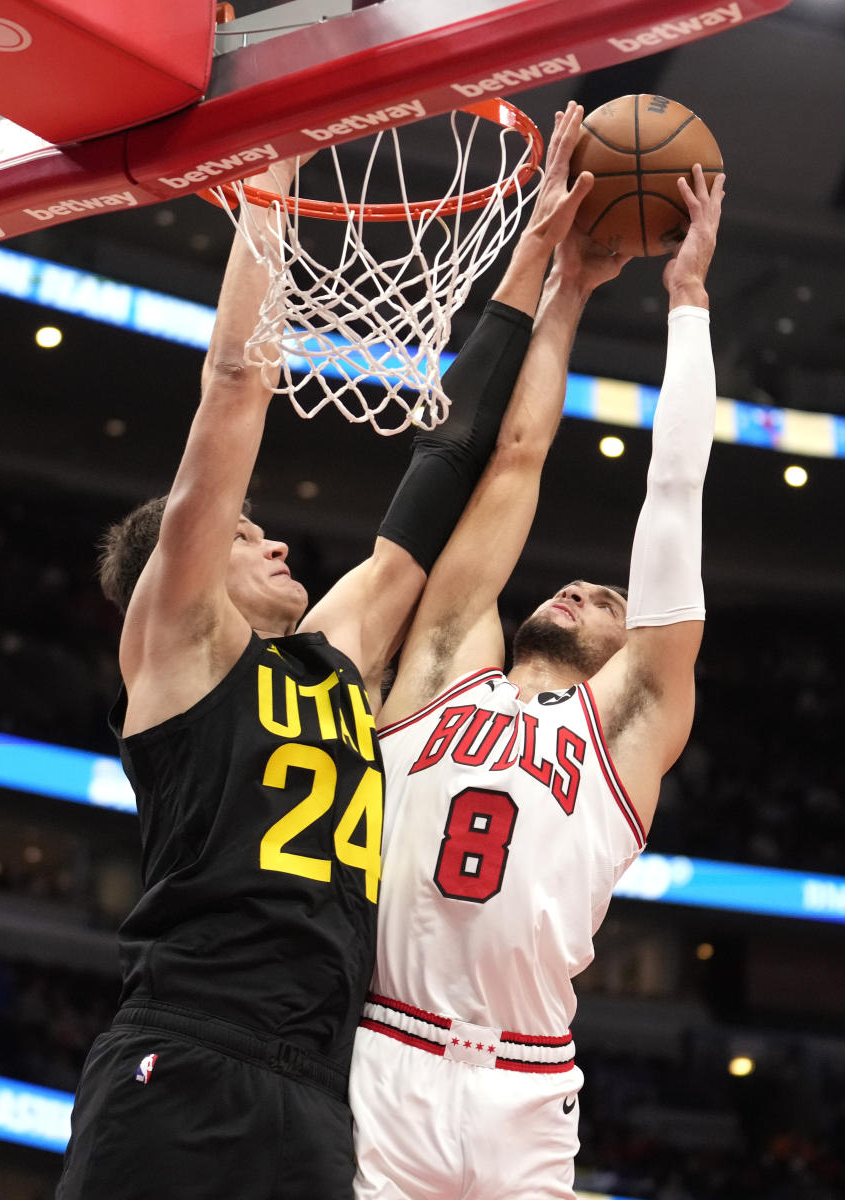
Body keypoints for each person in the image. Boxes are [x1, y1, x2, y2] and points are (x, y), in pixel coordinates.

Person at [56, 105, 605, 1200]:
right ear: (189, 563)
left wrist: (532, 260)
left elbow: (445, 460)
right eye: (243, 533)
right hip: (190, 1045)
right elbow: (235, 387)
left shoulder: (330, 653)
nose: (269, 536)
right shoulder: (177, 648)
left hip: (319, 1084)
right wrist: (276, 180)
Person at [349, 162, 725, 1199]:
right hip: (387, 1054)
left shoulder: (630, 724)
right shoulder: (439, 672)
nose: (581, 589)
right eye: (580, 585)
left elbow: (675, 497)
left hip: (528, 1081)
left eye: (611, 600)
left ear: (631, 646)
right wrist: (566, 293)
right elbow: (515, 455)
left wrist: (687, 306)